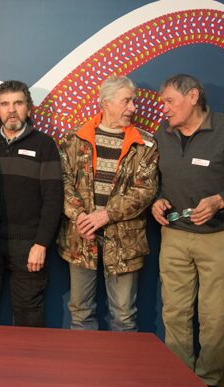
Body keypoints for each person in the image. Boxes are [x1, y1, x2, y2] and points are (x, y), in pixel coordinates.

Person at [151, 74, 224, 387]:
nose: (165, 109)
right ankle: (179, 378)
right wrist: (157, 199)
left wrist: (220, 201)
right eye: (163, 102)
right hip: (173, 235)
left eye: (169, 101)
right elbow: (156, 178)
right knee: (175, 313)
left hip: (217, 237)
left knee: (215, 316)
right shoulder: (163, 132)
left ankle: (207, 380)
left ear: (193, 96)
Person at [58, 75, 158, 332]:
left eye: (133, 102)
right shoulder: (74, 139)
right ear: (106, 103)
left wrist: (105, 215)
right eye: (126, 101)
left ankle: (121, 372)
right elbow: (63, 181)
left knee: (124, 317)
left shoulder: (145, 144)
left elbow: (145, 191)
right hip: (81, 238)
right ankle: (84, 371)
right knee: (80, 313)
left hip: (125, 243)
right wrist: (80, 216)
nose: (133, 108)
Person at [0, 80, 63, 326]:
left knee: (29, 316)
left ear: (29, 108)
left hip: (29, 245)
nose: (11, 110)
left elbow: (54, 200)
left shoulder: (45, 145)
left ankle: (29, 365)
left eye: (18, 103)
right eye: (5, 104)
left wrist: (41, 243)